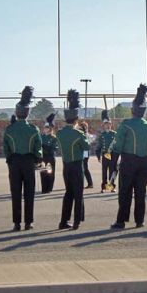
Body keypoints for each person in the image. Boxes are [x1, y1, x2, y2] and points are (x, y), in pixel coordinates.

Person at [110, 84, 147, 229]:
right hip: (145, 163)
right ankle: (139, 220)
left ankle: (121, 221)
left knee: (125, 192)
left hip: (129, 162)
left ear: (132, 110)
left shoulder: (126, 124)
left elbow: (118, 145)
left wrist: (113, 163)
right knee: (140, 192)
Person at [3, 86, 43, 231]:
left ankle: (16, 223)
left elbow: (6, 147)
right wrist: (37, 158)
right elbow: (38, 147)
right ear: (27, 113)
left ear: (16, 112)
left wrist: (9, 159)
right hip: (28, 161)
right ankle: (28, 222)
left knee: (15, 192)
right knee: (29, 193)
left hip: (14, 162)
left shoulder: (10, 129)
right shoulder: (33, 129)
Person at [57, 90, 89, 230]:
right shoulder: (78, 133)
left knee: (68, 193)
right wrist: (85, 133)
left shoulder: (60, 133)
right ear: (76, 119)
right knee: (78, 193)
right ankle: (76, 221)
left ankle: (63, 221)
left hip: (66, 165)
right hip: (76, 166)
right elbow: (86, 146)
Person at [95, 110, 116, 192]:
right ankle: (103, 187)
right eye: (106, 124)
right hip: (105, 154)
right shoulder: (102, 135)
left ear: (111, 125)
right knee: (104, 171)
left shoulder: (114, 134)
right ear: (103, 125)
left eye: (109, 124)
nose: (107, 126)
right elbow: (99, 146)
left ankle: (111, 187)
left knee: (112, 171)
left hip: (112, 154)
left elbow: (117, 145)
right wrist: (98, 156)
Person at [41, 113, 58, 194]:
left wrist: (48, 148)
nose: (45, 129)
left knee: (50, 173)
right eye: (45, 127)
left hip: (50, 157)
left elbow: (55, 147)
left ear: (50, 128)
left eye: (47, 127)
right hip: (43, 157)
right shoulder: (41, 137)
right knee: (43, 173)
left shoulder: (53, 137)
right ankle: (44, 188)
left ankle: (49, 188)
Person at [78, 121, 94, 189]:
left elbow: (89, 141)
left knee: (85, 168)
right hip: (82, 152)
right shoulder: (81, 134)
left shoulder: (87, 135)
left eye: (83, 126)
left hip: (85, 152)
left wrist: (85, 132)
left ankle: (90, 183)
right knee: (82, 168)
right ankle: (87, 183)